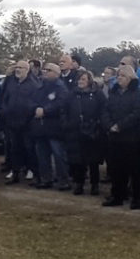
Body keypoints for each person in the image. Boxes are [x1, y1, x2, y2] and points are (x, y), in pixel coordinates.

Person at [101, 63, 140, 208]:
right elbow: (105, 110)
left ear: (130, 78)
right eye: (118, 75)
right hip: (115, 137)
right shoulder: (113, 93)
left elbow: (138, 113)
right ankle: (117, 195)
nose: (119, 78)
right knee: (117, 169)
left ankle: (139, 197)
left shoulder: (138, 94)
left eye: (123, 76)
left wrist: (121, 125)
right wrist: (109, 125)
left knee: (136, 169)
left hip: (133, 137)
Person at [30, 61, 70, 189]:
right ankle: (46, 179)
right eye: (44, 70)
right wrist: (35, 109)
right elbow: (32, 100)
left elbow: (61, 104)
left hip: (55, 127)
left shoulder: (61, 87)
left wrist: (45, 111)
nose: (45, 72)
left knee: (59, 155)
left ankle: (64, 180)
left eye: (48, 70)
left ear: (57, 73)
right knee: (42, 155)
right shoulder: (40, 85)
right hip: (40, 127)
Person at [67, 69, 105, 195]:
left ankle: (95, 184)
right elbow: (64, 109)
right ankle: (79, 183)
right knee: (78, 160)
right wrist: (67, 124)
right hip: (76, 130)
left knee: (93, 161)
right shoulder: (72, 94)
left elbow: (104, 110)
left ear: (89, 80)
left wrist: (99, 125)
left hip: (93, 130)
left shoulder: (98, 94)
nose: (80, 82)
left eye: (83, 79)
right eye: (79, 79)